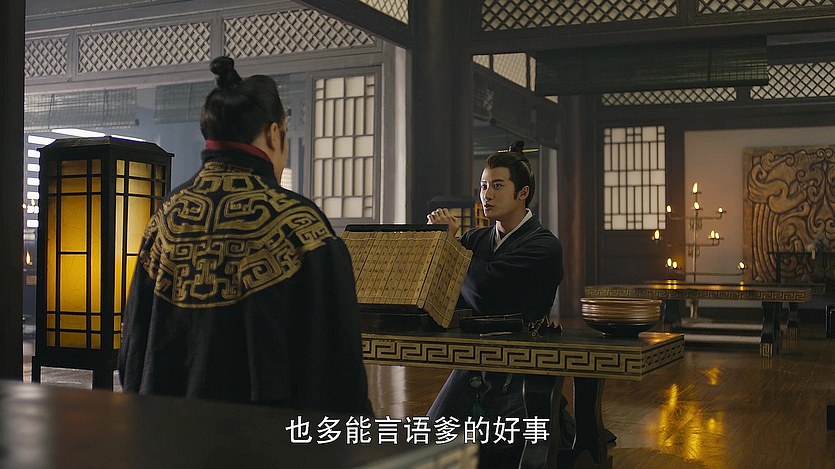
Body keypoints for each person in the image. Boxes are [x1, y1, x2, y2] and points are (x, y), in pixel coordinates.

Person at [118, 56, 372, 416]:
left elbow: (133, 347)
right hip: (264, 437)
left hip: (167, 431)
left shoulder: (166, 216)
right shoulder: (300, 223)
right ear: (273, 132)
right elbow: (338, 363)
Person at [426, 141, 565, 468]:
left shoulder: (544, 246)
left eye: (498, 186)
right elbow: (443, 290)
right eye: (483, 186)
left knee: (501, 451)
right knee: (433, 437)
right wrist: (436, 243)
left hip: (521, 362)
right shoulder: (475, 239)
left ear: (523, 193)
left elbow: (484, 291)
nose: (486, 195)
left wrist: (450, 244)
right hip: (473, 360)